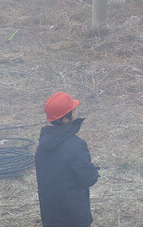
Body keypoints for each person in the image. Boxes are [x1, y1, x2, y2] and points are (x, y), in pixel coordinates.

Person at [35, 92, 99, 227]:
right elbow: (88, 179)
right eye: (73, 110)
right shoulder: (75, 145)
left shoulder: (42, 146)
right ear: (65, 119)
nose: (76, 111)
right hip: (74, 217)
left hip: (51, 217)